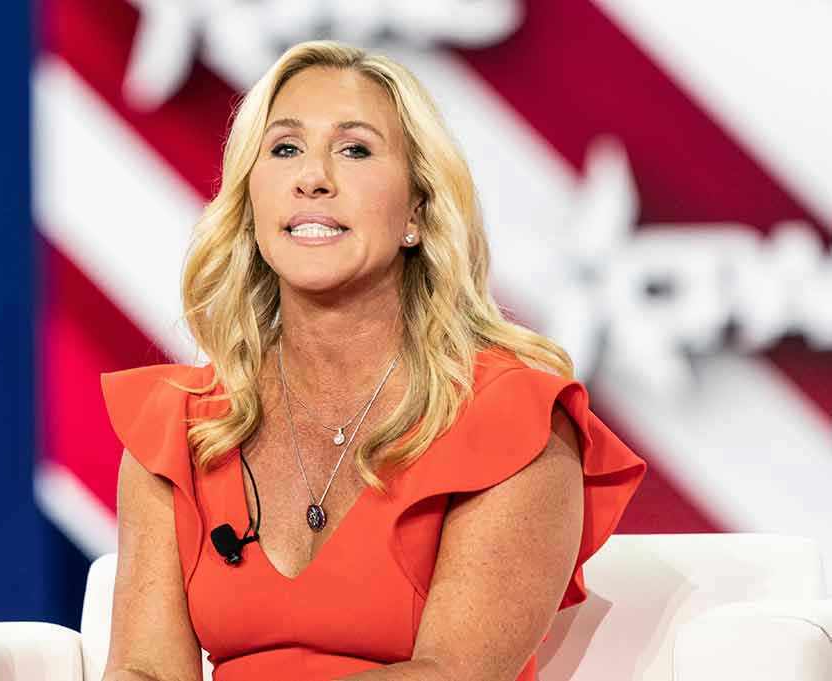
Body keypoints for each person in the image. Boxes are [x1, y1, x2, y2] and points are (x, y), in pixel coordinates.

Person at [98, 40, 647, 681]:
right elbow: (144, 670)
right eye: (284, 149)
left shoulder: (514, 422)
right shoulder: (176, 428)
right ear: (250, 204)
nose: (313, 177)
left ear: (416, 210)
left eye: (354, 149)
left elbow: (450, 675)